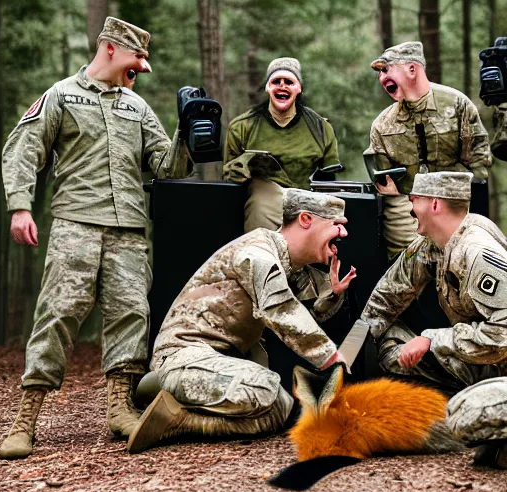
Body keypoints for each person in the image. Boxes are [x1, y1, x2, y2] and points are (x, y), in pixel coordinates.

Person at [0, 17, 172, 460]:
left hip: (129, 229)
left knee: (130, 313)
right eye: (137, 59)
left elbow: (168, 166)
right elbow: (23, 147)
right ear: (111, 49)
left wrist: (189, 134)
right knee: (58, 313)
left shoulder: (137, 107)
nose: (141, 70)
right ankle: (26, 420)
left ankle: (119, 408)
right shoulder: (61, 95)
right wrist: (20, 206)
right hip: (76, 223)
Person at [127, 188, 356, 453]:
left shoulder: (287, 263)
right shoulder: (258, 254)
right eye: (336, 225)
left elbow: (302, 315)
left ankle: (179, 413)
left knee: (280, 406)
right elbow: (282, 311)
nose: (343, 233)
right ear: (306, 220)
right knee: (265, 389)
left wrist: (332, 293)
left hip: (214, 361)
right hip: (184, 355)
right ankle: (172, 407)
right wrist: (331, 359)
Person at [359, 171, 507, 468]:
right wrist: (346, 356)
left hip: (500, 362)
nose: (410, 205)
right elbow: (386, 297)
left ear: (435, 204)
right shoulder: (430, 245)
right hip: (477, 360)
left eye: (415, 199)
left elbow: (502, 334)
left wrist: (432, 339)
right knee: (390, 341)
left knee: (464, 419)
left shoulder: (478, 252)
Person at [365, 41, 492, 259]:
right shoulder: (382, 125)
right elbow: (387, 192)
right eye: (379, 73)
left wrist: (463, 224)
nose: (381, 78)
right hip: (409, 230)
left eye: (386, 69)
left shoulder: (456, 105)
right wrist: (412, 245)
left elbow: (479, 168)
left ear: (412, 69)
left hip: (459, 223)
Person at [223, 57, 340, 232]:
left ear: (299, 88)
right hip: (261, 208)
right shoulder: (242, 127)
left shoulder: (320, 128)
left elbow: (330, 180)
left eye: (289, 82)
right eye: (276, 81)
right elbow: (229, 180)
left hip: (307, 208)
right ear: (267, 87)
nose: (282, 86)